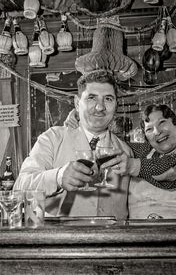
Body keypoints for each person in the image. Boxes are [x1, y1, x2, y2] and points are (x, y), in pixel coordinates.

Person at [65, 104, 176, 219]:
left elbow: (171, 172)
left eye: (162, 123)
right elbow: (106, 144)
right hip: (141, 242)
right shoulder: (142, 151)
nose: (157, 132)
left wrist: (132, 166)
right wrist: (82, 122)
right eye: (149, 129)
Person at [13, 71, 133, 219]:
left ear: (116, 105)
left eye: (108, 99)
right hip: (61, 238)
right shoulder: (53, 138)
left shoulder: (125, 151)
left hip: (111, 239)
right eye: (91, 98)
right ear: (77, 103)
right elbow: (20, 186)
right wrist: (57, 177)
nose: (100, 107)